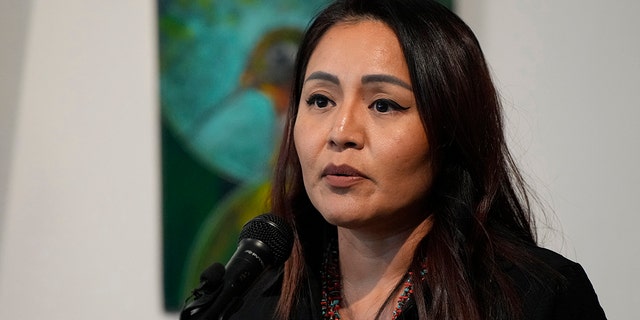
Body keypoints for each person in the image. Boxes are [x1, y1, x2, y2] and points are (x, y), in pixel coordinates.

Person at [227, 0, 607, 319]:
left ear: (450, 128)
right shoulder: (254, 299)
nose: (341, 132)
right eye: (320, 100)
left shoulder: (536, 298)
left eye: (383, 105)